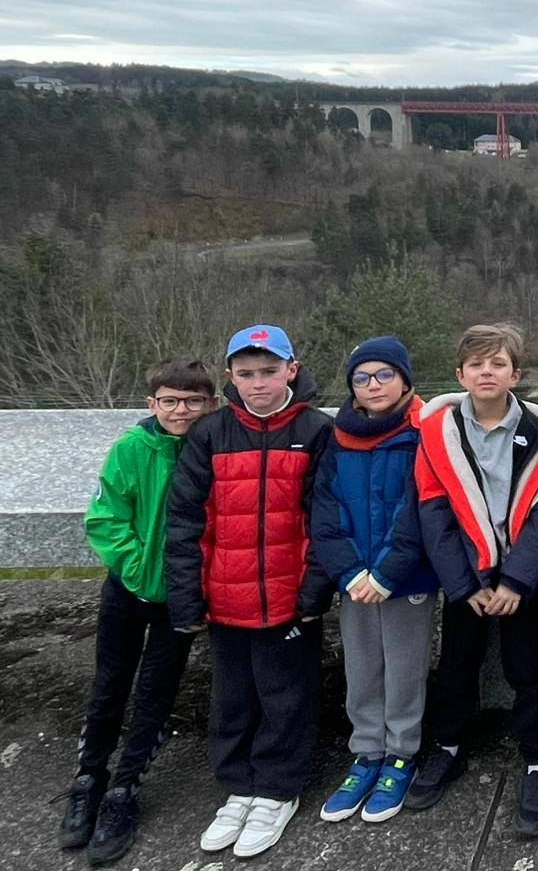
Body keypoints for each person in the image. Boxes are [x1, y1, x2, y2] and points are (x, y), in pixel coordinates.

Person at [166, 325, 335, 860]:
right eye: (245, 374)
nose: (257, 383)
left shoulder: (315, 431)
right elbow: (186, 520)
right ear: (230, 377)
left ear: (292, 369)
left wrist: (313, 591)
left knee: (287, 696)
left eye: (268, 371)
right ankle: (240, 785)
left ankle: (278, 789)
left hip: (287, 597)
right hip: (225, 598)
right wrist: (187, 597)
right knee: (232, 697)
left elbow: (324, 518)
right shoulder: (211, 433)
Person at [406, 323, 538, 838]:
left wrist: (517, 581)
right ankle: (447, 748)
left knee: (529, 670)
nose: (487, 372)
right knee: (455, 667)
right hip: (467, 574)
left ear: (516, 374)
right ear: (460, 374)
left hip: (521, 576)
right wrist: (466, 585)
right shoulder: (437, 433)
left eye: (497, 364)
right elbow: (434, 513)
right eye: (477, 365)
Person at [59, 358, 216, 866]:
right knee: (109, 685)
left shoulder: (211, 449)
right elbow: (106, 518)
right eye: (170, 400)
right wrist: (135, 569)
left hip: (183, 594)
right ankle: (89, 777)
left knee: (155, 691)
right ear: (152, 404)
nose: (181, 410)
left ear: (210, 404)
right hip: (129, 590)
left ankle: (125, 788)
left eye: (193, 401)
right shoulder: (132, 448)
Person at [310, 337, 437, 824]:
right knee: (362, 668)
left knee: (404, 668)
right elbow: (325, 510)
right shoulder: (336, 437)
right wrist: (350, 571)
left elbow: (420, 506)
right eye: (361, 378)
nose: (373, 385)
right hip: (354, 579)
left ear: (405, 380)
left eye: (385, 375)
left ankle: (401, 753)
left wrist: (386, 572)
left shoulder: (423, 430)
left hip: (405, 578)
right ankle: (366, 752)